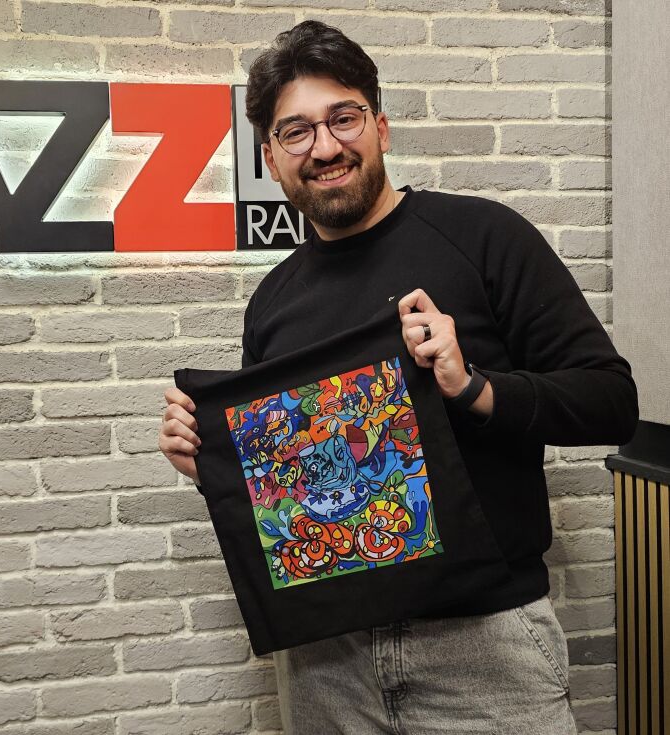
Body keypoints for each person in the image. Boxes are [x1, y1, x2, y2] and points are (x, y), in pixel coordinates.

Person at [158, 20, 638, 735]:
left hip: (482, 650)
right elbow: (298, 488)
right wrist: (217, 465)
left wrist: (472, 387)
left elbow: (612, 401)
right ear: (272, 158)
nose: (325, 147)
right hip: (327, 661)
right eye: (296, 132)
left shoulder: (483, 238)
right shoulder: (273, 301)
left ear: (379, 126)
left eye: (343, 118)